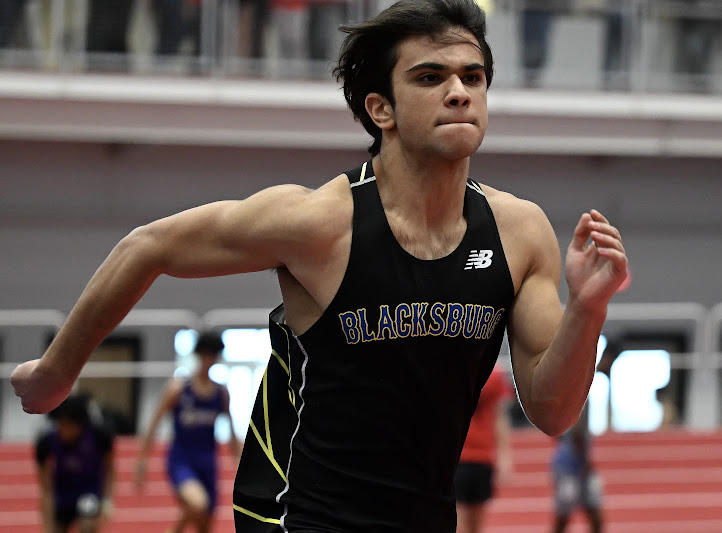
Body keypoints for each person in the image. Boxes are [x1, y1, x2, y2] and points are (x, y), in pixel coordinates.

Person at [11, 0, 629, 530]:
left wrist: (588, 308)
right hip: (296, 514)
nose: (460, 90)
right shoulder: (320, 223)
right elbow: (149, 246)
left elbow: (551, 410)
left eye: (473, 75)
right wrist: (57, 372)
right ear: (381, 109)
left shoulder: (519, 232)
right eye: (430, 76)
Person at [135, 332, 241, 533]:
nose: (209, 360)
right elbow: (154, 424)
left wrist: (238, 461)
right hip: (181, 459)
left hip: (208, 462)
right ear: (198, 355)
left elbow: (232, 430)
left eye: (213, 355)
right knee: (197, 503)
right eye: (206, 354)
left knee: (205, 525)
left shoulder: (221, 392)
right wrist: (141, 461)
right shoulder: (179, 388)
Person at [34, 394, 116, 533]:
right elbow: (46, 488)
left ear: (79, 424)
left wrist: (107, 501)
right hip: (62, 493)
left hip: (89, 490)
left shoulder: (99, 437)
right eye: (60, 424)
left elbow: (110, 468)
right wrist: (47, 524)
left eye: (68, 425)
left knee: (87, 526)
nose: (63, 429)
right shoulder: (46, 442)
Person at [455, 364, 514, 533]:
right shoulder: (454, 370)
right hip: (459, 457)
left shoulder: (495, 375)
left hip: (482, 457)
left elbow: (499, 417)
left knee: (476, 524)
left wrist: (504, 456)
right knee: (458, 521)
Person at [550, 404, 603, 533]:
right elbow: (577, 432)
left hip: (568, 463)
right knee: (565, 515)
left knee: (592, 512)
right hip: (569, 466)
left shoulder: (572, 396)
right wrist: (586, 461)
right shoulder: (580, 396)